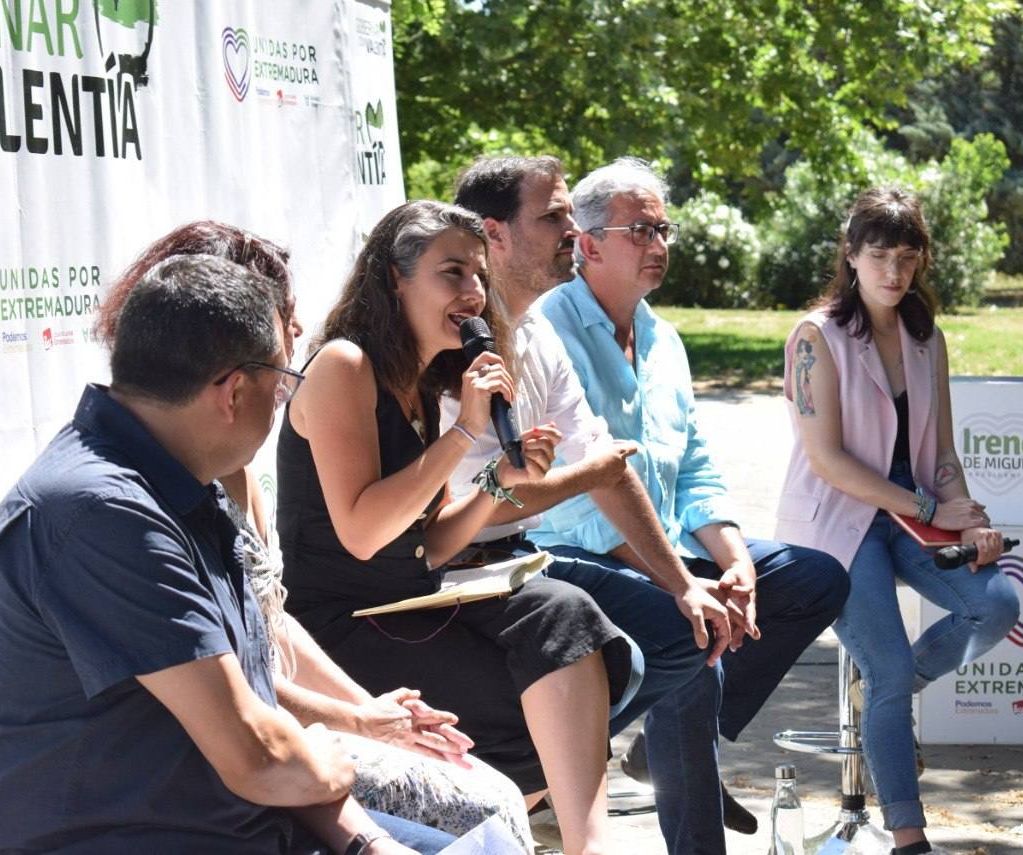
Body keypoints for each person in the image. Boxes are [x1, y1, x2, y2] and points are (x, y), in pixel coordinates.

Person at [0, 253, 452, 854]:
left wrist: (365, 842)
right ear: (233, 390)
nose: (281, 406)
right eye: (282, 384)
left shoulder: (182, 488)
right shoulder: (102, 513)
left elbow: (265, 733)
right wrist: (331, 757)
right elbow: (262, 757)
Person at [93, 221, 534, 850]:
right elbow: (239, 703)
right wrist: (360, 724)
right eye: (281, 316)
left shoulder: (225, 469)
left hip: (292, 721)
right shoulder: (122, 506)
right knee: (485, 797)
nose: (297, 335)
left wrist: (381, 714)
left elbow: (269, 626)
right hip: (226, 761)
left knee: (498, 770)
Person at [277, 200, 635, 855]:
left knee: (563, 618)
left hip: (408, 600)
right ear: (395, 278)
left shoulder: (421, 383)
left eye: (477, 273)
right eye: (453, 272)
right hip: (342, 628)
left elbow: (431, 538)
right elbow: (362, 532)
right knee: (539, 666)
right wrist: (468, 427)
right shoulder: (344, 366)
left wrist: (501, 479)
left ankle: (576, 843)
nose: (474, 291)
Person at [445, 155, 764, 851]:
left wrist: (688, 585)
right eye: (554, 216)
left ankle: (536, 781)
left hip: (516, 556)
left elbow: (609, 469)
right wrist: (672, 574)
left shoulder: (537, 332)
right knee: (586, 630)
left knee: (704, 622)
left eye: (572, 214)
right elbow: (491, 501)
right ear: (494, 235)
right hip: (455, 570)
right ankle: (532, 783)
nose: (572, 229)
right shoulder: (448, 331)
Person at [535, 157, 851, 855]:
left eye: (664, 228)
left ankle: (665, 738)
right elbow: (580, 496)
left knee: (812, 576)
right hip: (576, 550)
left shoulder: (665, 340)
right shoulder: (546, 332)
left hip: (671, 544)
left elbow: (698, 470)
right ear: (587, 245)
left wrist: (735, 565)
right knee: (695, 635)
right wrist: (683, 583)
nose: (660, 244)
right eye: (640, 230)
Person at [775, 188, 1019, 855]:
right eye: (879, 255)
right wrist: (932, 508)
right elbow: (826, 461)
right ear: (850, 255)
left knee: (995, 603)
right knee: (881, 674)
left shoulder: (924, 336)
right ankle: (910, 837)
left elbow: (939, 451)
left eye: (907, 257)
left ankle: (896, 689)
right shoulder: (814, 336)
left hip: (915, 512)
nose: (894, 272)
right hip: (837, 520)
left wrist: (966, 520)